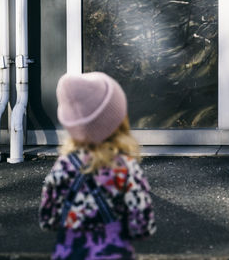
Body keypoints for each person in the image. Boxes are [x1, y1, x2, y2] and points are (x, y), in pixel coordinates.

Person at [39, 72, 156, 260]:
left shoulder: (63, 166)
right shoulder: (125, 168)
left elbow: (48, 220)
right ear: (118, 120)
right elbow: (142, 226)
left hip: (68, 253)